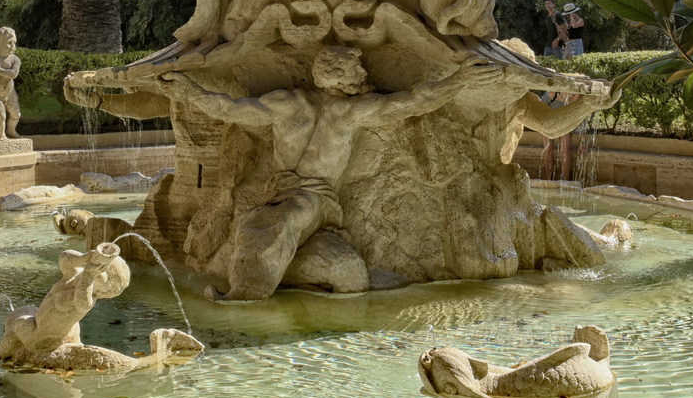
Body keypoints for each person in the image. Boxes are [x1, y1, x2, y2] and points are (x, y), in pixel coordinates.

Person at [161, 50, 501, 301]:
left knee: (291, 214)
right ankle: (248, 288)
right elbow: (412, 101)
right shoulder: (307, 105)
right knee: (272, 217)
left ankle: (246, 293)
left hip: (314, 200)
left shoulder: (327, 109)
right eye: (357, 71)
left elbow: (228, 107)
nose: (363, 77)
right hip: (283, 195)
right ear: (346, 75)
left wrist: (191, 92)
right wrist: (188, 92)